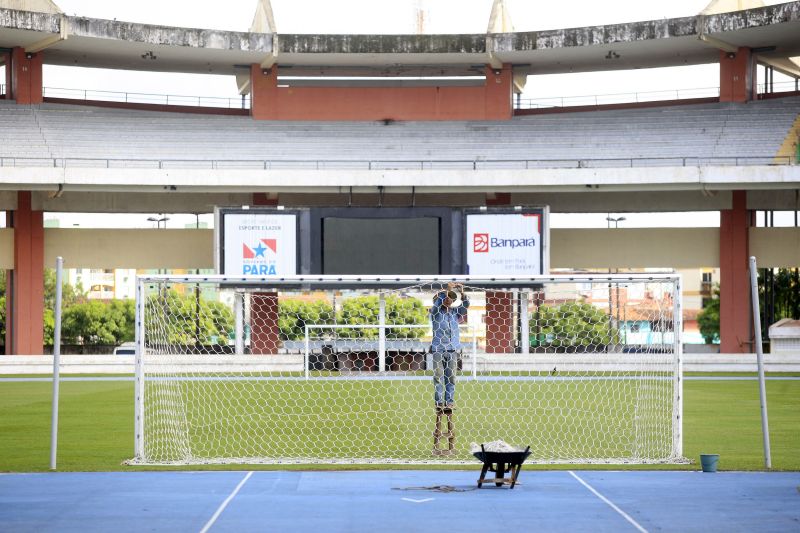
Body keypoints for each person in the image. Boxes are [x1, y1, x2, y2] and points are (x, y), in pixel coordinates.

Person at [430, 283, 469, 409]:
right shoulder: (435, 313)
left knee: (451, 377)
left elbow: (466, 304)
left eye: (450, 297)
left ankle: (449, 402)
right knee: (438, 376)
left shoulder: (455, 313)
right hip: (438, 349)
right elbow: (438, 304)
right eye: (445, 297)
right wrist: (447, 290)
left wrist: (462, 292)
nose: (448, 299)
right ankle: (439, 402)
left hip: (452, 350)